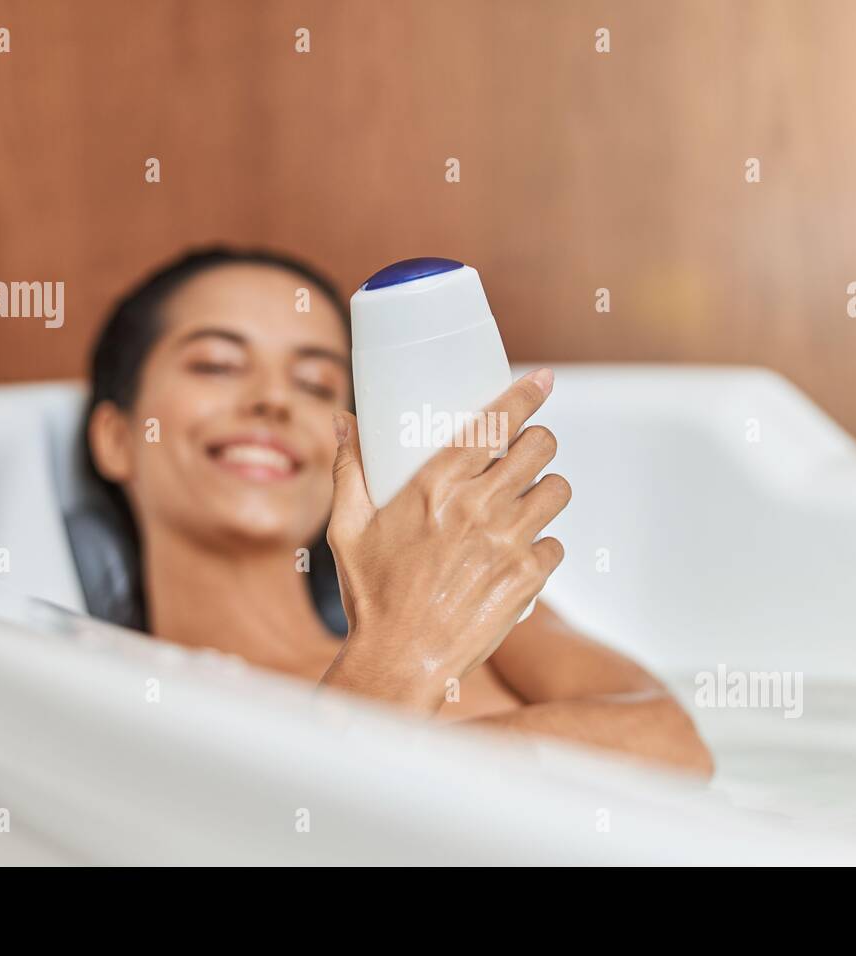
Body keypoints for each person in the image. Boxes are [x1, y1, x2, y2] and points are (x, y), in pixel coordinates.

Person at [83, 247, 711, 775]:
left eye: (314, 384)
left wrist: (390, 691)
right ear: (115, 437)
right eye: (217, 365)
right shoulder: (126, 706)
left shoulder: (459, 601)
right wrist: (401, 665)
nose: (274, 399)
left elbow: (675, 749)